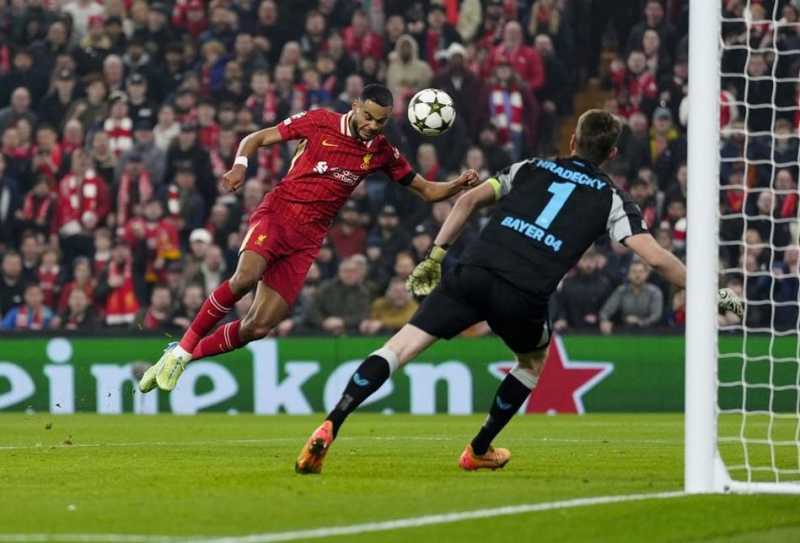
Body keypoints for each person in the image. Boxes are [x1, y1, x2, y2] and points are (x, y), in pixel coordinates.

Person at [294, 109, 745, 474]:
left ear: (572, 142)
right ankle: (479, 449)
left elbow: (468, 200)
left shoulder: (533, 166)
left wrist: (434, 256)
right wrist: (710, 290)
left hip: (473, 269)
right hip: (523, 292)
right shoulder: (612, 199)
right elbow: (654, 257)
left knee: (400, 346)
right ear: (610, 153)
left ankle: (332, 422)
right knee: (532, 362)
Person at [138, 84, 478, 393]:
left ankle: (180, 356)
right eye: (369, 117)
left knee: (258, 327)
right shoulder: (320, 122)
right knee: (244, 278)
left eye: (381, 122)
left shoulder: (381, 152)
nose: (373, 126)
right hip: (278, 214)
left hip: (308, 240)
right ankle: (183, 349)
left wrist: (457, 184)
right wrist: (240, 166)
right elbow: (255, 138)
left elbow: (426, 190)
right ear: (356, 105)